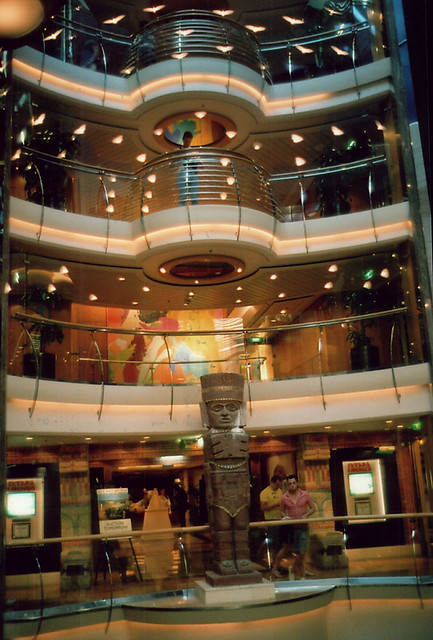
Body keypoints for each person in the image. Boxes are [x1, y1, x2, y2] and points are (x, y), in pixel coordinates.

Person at [200, 372, 261, 585]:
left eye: (232, 407)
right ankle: (224, 559)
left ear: (241, 410)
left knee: (242, 525)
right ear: (205, 411)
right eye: (217, 408)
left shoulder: (243, 436)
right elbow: (207, 467)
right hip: (219, 493)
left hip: (240, 491)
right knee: (223, 526)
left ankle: (243, 559)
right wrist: (210, 492)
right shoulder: (209, 438)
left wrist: (248, 492)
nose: (225, 414)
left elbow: (246, 466)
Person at [273, 474, 316, 579]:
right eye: (290, 484)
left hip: (303, 527)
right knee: (287, 549)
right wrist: (285, 517)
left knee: (302, 551)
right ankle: (275, 568)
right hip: (291, 528)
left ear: (297, 483)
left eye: (294, 483)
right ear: (287, 485)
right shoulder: (284, 497)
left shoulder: (305, 494)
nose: (292, 485)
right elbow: (281, 511)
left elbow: (313, 508)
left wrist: (305, 515)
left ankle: (296, 568)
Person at [260, 475, 283, 566]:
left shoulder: (280, 491)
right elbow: (263, 507)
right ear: (272, 483)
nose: (278, 487)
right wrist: (275, 504)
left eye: (279, 485)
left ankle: (278, 563)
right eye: (276, 485)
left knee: (280, 543)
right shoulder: (265, 493)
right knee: (273, 543)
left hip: (280, 519)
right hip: (271, 520)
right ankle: (273, 563)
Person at [177, 131, 199, 205]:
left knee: (194, 196)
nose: (187, 143)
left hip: (193, 172)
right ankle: (182, 210)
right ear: (183, 140)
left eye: (189, 141)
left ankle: (195, 210)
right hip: (182, 172)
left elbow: (201, 164)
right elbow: (171, 164)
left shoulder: (193, 151)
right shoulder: (178, 150)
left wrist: (195, 158)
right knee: (183, 196)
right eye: (186, 141)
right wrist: (181, 155)